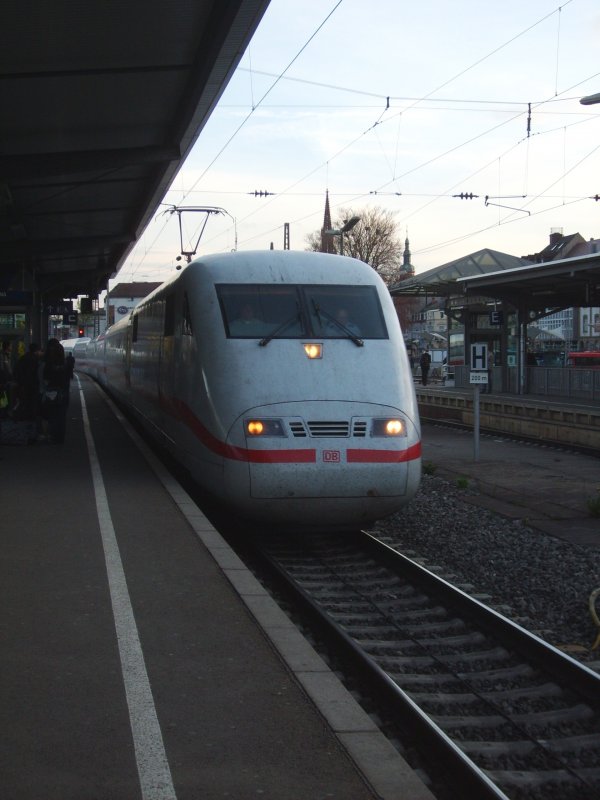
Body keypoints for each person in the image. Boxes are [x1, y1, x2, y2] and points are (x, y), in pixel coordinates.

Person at [39, 339, 70, 444]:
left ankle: (50, 436)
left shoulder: (47, 364)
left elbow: (45, 379)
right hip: (63, 393)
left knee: (50, 415)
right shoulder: (65, 364)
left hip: (51, 392)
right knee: (61, 416)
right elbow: (67, 378)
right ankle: (59, 437)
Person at [14, 343, 42, 421]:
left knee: (25, 401)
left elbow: (17, 370)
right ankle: (30, 417)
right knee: (32, 402)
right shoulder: (34, 359)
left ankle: (24, 416)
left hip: (23, 384)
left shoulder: (23, 357)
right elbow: (32, 373)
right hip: (31, 385)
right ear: (36, 351)